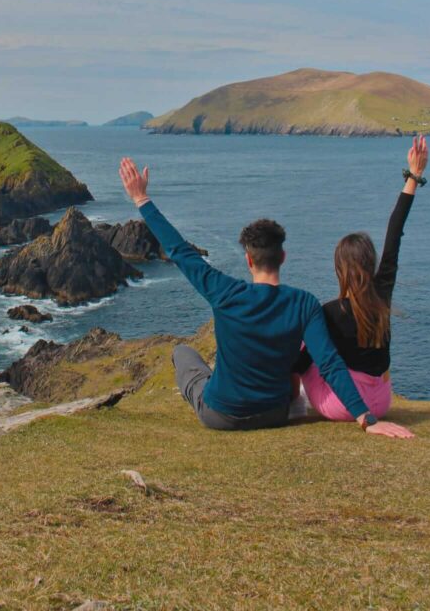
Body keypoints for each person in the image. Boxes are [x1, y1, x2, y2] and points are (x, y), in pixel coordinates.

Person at [119, 157, 414, 439]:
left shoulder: (224, 292)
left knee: (183, 353)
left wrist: (141, 199)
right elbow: (329, 363)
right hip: (275, 414)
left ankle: (207, 389)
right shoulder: (304, 304)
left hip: (219, 414)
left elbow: (180, 251)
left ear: (248, 260)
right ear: (283, 257)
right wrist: (365, 418)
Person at [292, 135, 429, 421]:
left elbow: (301, 364)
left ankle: (295, 403)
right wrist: (413, 176)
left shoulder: (328, 311)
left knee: (306, 342)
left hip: (345, 406)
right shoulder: (382, 295)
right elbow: (395, 234)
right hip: (381, 403)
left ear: (339, 269)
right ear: (371, 263)